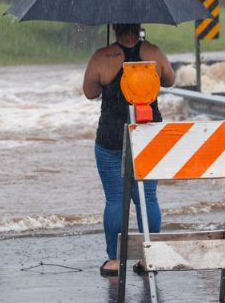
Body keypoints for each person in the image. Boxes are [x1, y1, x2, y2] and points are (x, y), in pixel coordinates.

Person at [82, 23, 175, 277]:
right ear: (139, 25)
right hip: (147, 135)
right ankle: (149, 256)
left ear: (114, 26)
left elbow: (89, 92)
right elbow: (170, 80)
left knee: (115, 199)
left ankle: (114, 260)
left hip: (112, 135)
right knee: (147, 198)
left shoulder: (102, 56)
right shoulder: (154, 53)